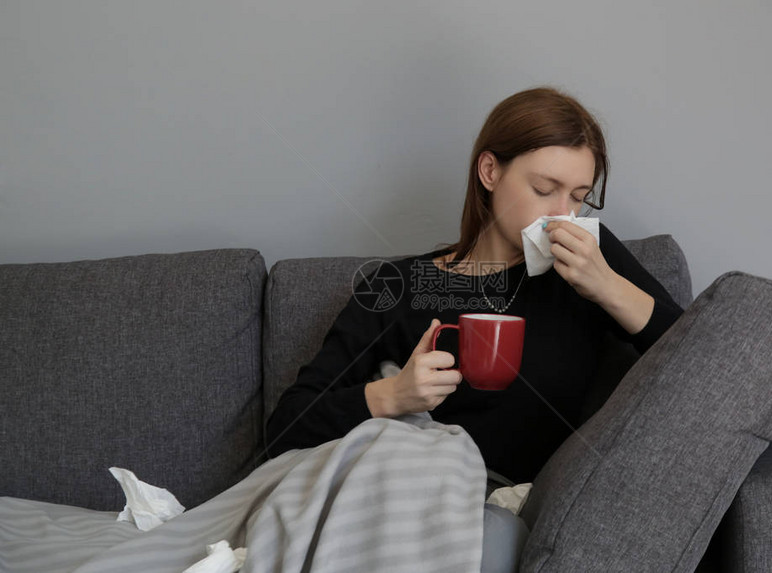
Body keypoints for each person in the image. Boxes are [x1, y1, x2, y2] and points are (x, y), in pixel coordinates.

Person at [264, 85, 685, 572]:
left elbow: (705, 363)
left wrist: (608, 288)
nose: (561, 214)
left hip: (505, 510)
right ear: (490, 172)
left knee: (492, 534)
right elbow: (286, 430)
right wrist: (392, 396)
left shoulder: (591, 264)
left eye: (578, 196)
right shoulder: (399, 286)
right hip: (401, 494)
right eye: (543, 189)